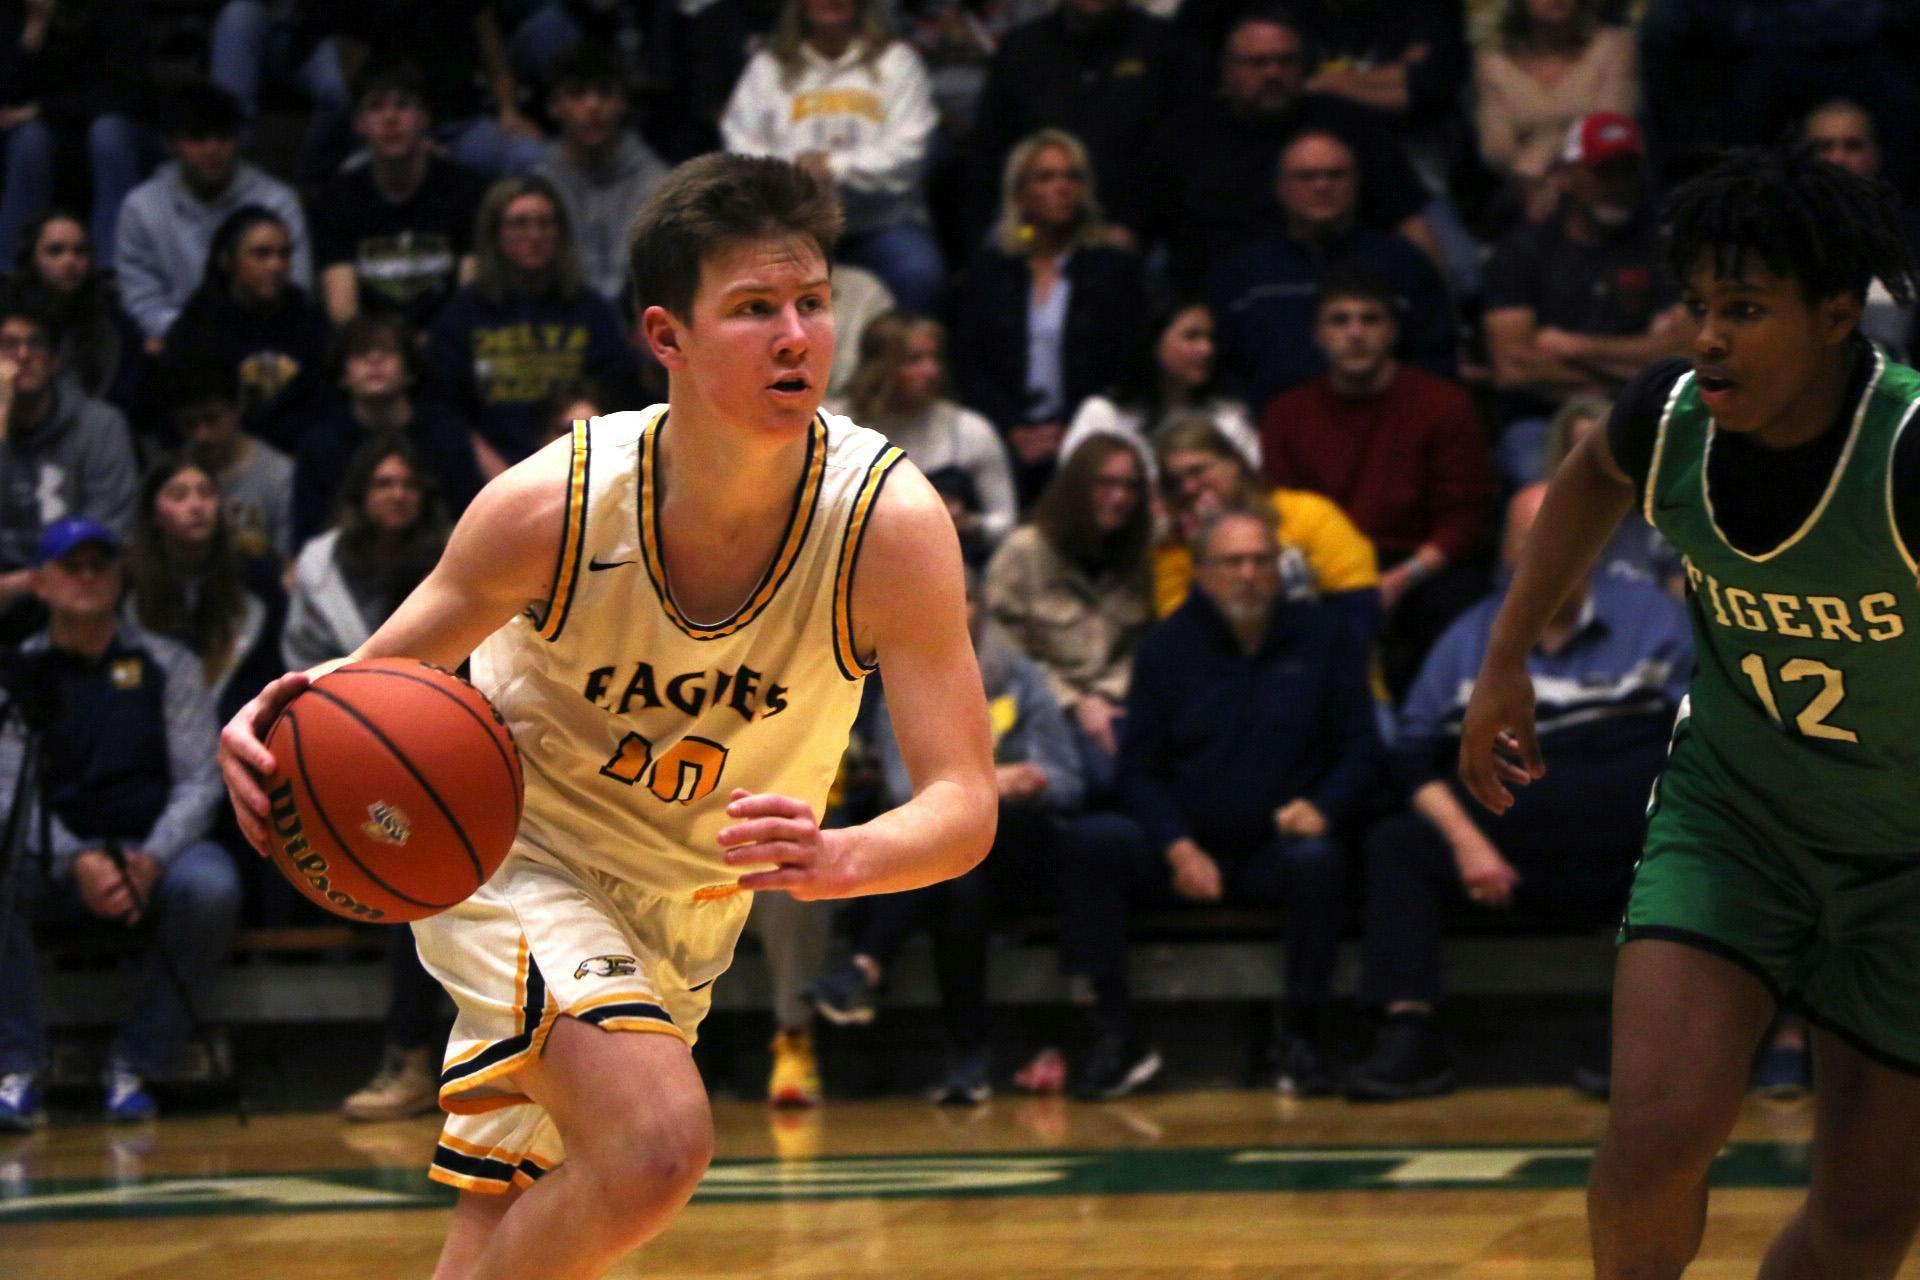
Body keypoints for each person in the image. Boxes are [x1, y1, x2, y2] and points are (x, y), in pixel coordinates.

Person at [217, 154, 995, 1279]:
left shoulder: (889, 523)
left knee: (508, 1230)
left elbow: (965, 803)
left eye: (813, 302)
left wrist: (845, 855)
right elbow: (372, 683)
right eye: (755, 308)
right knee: (655, 1148)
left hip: (689, 910)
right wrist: (274, 722)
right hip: (513, 854)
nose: (796, 336)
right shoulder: (554, 504)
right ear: (667, 336)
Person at [1458, 148, 1920, 1279]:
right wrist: (1505, 660)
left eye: (1745, 311)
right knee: (1657, 1132)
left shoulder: (1907, 451)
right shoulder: (1667, 415)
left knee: (1869, 1220)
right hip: (1737, 822)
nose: (1708, 336)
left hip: (1907, 860)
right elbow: (1585, 480)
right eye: (1700, 306)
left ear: (1833, 317)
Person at [1348, 485, 1690, 1102]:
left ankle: (1643, 1036)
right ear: (1505, 554)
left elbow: (1700, 743)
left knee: (1692, 841)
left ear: (1593, 544)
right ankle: (1408, 1032)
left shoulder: (1656, 620)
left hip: (1625, 843)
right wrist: (1467, 843)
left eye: (1562, 535)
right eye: (1529, 541)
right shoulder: (1465, 638)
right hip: (1499, 844)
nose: (1546, 556)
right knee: (1396, 844)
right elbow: (1411, 755)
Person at [804, 569, 1123, 1103]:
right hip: (955, 857)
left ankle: (866, 965)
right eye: (945, 594)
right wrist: (991, 783)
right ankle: (968, 1060)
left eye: (968, 596)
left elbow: (1068, 780)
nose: (958, 606)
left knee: (956, 853)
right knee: (958, 879)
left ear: (983, 607)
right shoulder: (903, 683)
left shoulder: (1022, 678)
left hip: (1026, 849)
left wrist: (1007, 786)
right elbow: (903, 788)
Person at [1113, 507, 1378, 1094]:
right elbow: (1137, 770)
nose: (1249, 575)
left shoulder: (1326, 638)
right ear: (1201, 572)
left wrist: (1324, 808)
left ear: (1280, 569)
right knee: (1092, 846)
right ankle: (1115, 1035)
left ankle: (1303, 1037)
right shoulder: (1164, 648)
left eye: (1261, 561)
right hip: (1185, 850)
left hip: (1280, 847)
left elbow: (1361, 749)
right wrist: (1177, 846)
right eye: (1232, 562)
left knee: (1318, 862)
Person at [0, 518, 238, 1130]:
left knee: (211, 886)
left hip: (154, 849)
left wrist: (150, 858)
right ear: (41, 583)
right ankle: (16, 1068)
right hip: (52, 854)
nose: (87, 577)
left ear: (119, 576)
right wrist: (78, 859)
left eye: (98, 565)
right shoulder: (16, 672)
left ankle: (137, 1061)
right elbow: (8, 792)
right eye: (71, 566)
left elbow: (200, 780)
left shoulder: (167, 663)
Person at [1259, 266, 1493, 696]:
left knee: (1459, 601)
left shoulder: (1443, 404)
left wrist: (1401, 578)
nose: (1355, 333)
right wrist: (1345, 582)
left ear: (1392, 331)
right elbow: (1280, 512)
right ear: (1317, 335)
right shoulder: (1286, 413)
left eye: (1370, 319)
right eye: (1339, 320)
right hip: (1323, 568)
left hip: (1418, 566)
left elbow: (1464, 518)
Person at [1147, 8, 1438, 296]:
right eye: (1257, 62)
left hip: (1341, 294)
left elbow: (1409, 220)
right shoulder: (1185, 135)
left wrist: (1432, 303)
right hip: (1220, 297)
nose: (1273, 73)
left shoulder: (1348, 124)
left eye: (1286, 61)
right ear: (1227, 69)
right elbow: (1140, 226)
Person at [1482, 110, 1686, 485]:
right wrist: (1634, 369)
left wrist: (1573, 347)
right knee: (1535, 471)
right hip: (1543, 416)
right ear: (1567, 177)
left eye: (1627, 171)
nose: (1617, 185)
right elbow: (1514, 367)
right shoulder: (1523, 252)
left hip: (1640, 414)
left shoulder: (1660, 249)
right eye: (1603, 172)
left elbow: (1682, 354)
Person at [949, 129, 1146, 505]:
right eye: (1046, 177)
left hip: (1089, 427)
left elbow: (1126, 363)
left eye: (1072, 177)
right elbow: (968, 365)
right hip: (1005, 431)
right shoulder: (988, 272)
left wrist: (1068, 427)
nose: (1063, 187)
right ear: (1020, 193)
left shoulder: (1113, 269)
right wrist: (1015, 429)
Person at [721, 0, 944, 314]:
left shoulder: (897, 61)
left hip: (879, 224)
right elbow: (740, 147)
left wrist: (834, 168)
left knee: (921, 275)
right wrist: (794, 171)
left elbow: (910, 150)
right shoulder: (768, 66)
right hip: (788, 228)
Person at [1210, 129, 1455, 410]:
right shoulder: (1245, 271)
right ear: (1280, 187)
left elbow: (1435, 359)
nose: (1322, 185)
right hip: (1264, 422)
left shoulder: (1404, 263)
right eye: (1306, 176)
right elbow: (1222, 365)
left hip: (1386, 420)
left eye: (1336, 175)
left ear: (1356, 184)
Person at [426, 174, 635, 474]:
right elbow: (446, 411)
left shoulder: (590, 311)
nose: (534, 235)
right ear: (495, 233)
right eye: (519, 223)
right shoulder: (462, 316)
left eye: (545, 223)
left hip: (578, 465)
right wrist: (498, 474)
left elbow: (614, 395)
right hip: (488, 472)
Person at [985, 434, 1154, 791]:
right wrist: (1074, 702)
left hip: (1118, 700)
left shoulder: (1137, 556)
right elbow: (1004, 652)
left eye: (1130, 486)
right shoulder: (1024, 552)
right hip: (1040, 706)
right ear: (1078, 487)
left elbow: (1142, 645)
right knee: (1110, 777)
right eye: (1106, 484)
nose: (1119, 497)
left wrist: (1105, 695)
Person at [966, 0, 1203, 246]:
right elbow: (988, 155)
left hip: (1136, 233)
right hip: (1035, 233)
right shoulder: (1022, 49)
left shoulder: (1166, 47)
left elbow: (1187, 154)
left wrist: (1137, 227)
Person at [114, 83, 311, 347]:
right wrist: (200, 340)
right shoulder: (141, 207)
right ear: (172, 143)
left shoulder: (277, 202)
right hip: (177, 346)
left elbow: (295, 289)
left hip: (264, 341)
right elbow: (142, 301)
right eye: (198, 138)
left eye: (223, 137)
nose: (212, 149)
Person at [1153, 419, 1379, 639]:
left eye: (1197, 471)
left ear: (1235, 462)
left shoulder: (1307, 514)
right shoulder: (1174, 548)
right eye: (1175, 482)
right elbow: (1181, 639)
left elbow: (1359, 607)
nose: (1188, 488)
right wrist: (1204, 548)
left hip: (1323, 654)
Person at [311, 58, 493, 331]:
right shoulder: (335, 201)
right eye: (376, 107)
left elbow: (470, 303)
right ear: (359, 123)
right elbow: (344, 315)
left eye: (403, 105)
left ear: (424, 117)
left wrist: (433, 345)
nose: (390, 118)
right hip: (371, 349)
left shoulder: (469, 192)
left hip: (447, 345)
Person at [0, 302, 137, 640]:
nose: (23, 356)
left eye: (35, 344)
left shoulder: (101, 426)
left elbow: (108, 530)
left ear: (53, 361)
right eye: (8, 345)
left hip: (77, 589)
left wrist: (31, 582)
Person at [835, 311, 1016, 561]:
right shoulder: (839, 425)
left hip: (947, 567)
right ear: (879, 367)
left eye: (934, 357)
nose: (931, 371)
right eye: (914, 360)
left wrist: (968, 522)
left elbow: (1007, 525)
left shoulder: (969, 429)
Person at [293, 313, 485, 545]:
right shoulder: (320, 447)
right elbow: (309, 538)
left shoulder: (446, 437)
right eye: (360, 353)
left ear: (410, 370)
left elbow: (471, 522)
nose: (374, 359)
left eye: (388, 351)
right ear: (342, 374)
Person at [126, 455, 285, 728]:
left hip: (244, 726)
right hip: (153, 731)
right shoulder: (127, 586)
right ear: (153, 514)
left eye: (206, 493)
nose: (196, 505)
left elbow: (272, 672)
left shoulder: (258, 581)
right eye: (179, 495)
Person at [160, 207, 329, 448]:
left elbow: (326, 406)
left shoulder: (311, 322)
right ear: (226, 260)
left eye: (284, 254)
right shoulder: (194, 331)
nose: (276, 265)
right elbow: (178, 419)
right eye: (261, 254)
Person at [0, 0, 150, 269]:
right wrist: (35, 28)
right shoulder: (14, 15)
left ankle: (112, 267)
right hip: (48, 131)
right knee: (30, 139)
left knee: (107, 134)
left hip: (112, 125)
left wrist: (41, 109)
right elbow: (9, 102)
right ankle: (13, 270)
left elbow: (123, 92)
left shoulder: (116, 9)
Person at [1475, 0, 1639, 228]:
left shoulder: (1614, 47)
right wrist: (1537, 180)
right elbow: (1497, 149)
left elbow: (1608, 128)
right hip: (1526, 195)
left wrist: (1547, 164)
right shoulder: (1493, 65)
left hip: (1601, 184)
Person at [1060, 301, 1259, 473]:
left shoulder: (1228, 420)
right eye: (1191, 336)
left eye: (1210, 338)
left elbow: (1250, 490)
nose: (1207, 349)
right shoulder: (1104, 415)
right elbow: (1072, 488)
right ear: (1153, 341)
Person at [1796, 97, 1920, 361]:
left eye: (1852, 146)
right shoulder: (1775, 239)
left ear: (1875, 155)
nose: (1838, 158)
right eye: (1823, 147)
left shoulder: (1911, 239)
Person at [4, 211, 145, 416]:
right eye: (55, 251)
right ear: (32, 258)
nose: (70, 261)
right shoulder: (7, 318)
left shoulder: (115, 326)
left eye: (80, 252)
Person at [1538, 394, 1681, 592]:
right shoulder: (1539, 516)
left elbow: (1681, 597)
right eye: (1582, 454)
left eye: (1608, 450)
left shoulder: (1664, 517)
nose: (1599, 465)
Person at [165, 358, 294, 567]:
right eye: (190, 424)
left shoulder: (279, 477)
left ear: (236, 409)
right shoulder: (171, 473)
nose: (201, 436)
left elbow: (288, 566)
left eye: (211, 420)